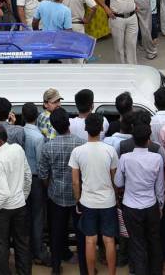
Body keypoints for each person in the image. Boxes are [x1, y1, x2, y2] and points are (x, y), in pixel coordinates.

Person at [38, 108, 87, 274]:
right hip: (78, 196)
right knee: (81, 234)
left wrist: (50, 187)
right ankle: (84, 268)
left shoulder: (48, 147)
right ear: (68, 123)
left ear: (53, 126)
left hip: (56, 196)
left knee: (56, 234)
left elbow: (43, 174)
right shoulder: (81, 143)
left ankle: (56, 267)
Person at [69, 114, 118, 275]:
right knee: (109, 240)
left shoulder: (77, 151)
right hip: (108, 201)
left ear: (85, 129)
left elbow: (76, 182)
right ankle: (111, 272)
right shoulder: (110, 150)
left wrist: (78, 200)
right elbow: (114, 179)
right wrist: (116, 196)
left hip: (88, 201)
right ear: (102, 128)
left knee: (90, 240)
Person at [113, 122, 164, 275]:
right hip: (151, 205)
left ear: (133, 139)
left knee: (136, 243)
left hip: (130, 206)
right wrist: (160, 206)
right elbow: (160, 187)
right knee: (154, 241)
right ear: (149, 139)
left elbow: (118, 182)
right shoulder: (157, 158)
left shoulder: (125, 158)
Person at [0, 124, 32, 275]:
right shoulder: (17, 149)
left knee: (0, 247)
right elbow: (28, 176)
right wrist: (22, 197)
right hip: (20, 206)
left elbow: (3, 193)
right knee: (22, 244)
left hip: (1, 210)